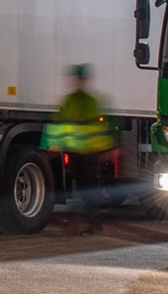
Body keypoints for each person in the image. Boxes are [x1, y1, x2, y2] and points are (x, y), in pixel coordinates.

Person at [41, 63, 118, 235]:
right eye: (77, 79)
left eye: (81, 79)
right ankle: (88, 222)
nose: (79, 82)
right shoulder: (74, 101)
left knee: (87, 191)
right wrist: (51, 146)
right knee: (84, 190)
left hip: (90, 154)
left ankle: (93, 224)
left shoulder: (87, 101)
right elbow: (60, 125)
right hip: (79, 153)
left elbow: (100, 128)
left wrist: (108, 149)